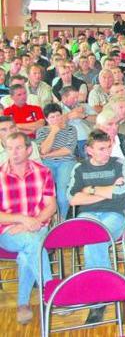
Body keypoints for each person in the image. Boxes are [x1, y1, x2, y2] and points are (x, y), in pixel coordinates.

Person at [67, 129, 125, 324]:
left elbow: (123, 193)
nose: (107, 153)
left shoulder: (119, 163)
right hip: (87, 214)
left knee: (94, 240)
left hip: (115, 215)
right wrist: (109, 190)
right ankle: (108, 290)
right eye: (101, 149)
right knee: (93, 240)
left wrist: (91, 190)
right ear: (89, 150)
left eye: (109, 148)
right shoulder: (79, 168)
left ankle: (97, 301)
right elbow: (72, 199)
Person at [0, 132, 55, 324]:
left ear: (29, 149)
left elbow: (51, 206)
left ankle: (23, 304)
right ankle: (51, 293)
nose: (13, 153)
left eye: (18, 148)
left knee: (28, 253)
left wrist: (34, 222)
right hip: (8, 232)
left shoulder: (43, 171)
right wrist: (22, 219)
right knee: (33, 244)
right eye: (9, 148)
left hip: (38, 226)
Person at [36, 102, 78, 221]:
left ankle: (62, 220)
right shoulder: (42, 131)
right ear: (46, 119)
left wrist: (48, 154)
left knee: (62, 194)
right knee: (42, 191)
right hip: (47, 163)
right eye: (52, 117)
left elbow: (67, 150)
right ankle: (47, 218)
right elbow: (43, 150)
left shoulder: (71, 129)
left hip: (66, 162)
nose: (56, 119)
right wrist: (53, 132)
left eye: (58, 115)